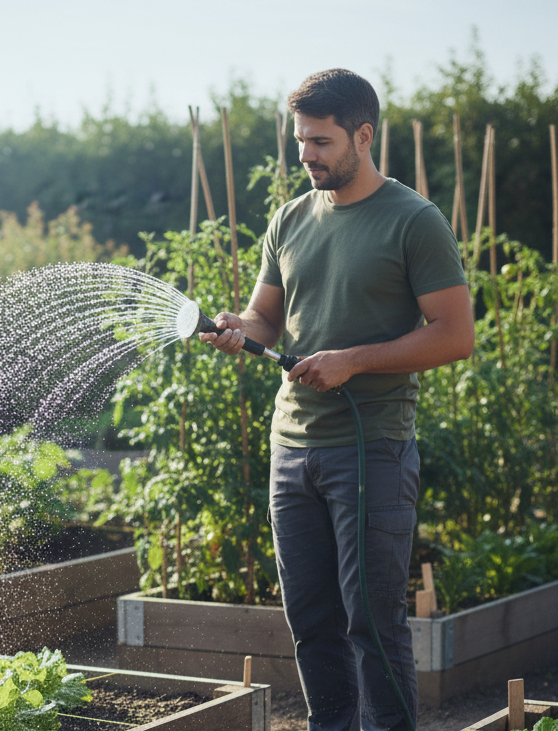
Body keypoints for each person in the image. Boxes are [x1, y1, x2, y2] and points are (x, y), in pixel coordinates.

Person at [201, 68, 474, 731]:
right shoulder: (290, 219)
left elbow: (455, 335)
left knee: (372, 623)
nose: (306, 156)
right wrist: (239, 331)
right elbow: (267, 319)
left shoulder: (414, 220)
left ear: (362, 134)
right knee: (311, 620)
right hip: (291, 450)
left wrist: (354, 361)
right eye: (300, 142)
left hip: (371, 447)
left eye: (320, 142)